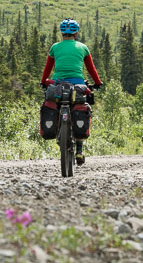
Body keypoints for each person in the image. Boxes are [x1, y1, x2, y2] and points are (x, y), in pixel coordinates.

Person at [41, 18, 102, 164]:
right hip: (78, 86)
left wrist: (44, 82)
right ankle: (79, 150)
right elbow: (91, 68)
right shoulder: (83, 47)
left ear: (62, 33)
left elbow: (48, 68)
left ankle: (58, 131)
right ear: (76, 33)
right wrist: (98, 83)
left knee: (54, 105)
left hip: (57, 85)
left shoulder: (55, 47)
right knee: (80, 109)